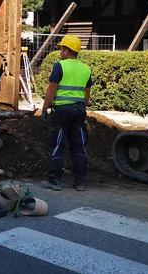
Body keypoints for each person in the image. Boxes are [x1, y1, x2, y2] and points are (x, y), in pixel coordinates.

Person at [40, 35, 92, 192]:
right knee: (78, 146)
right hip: (79, 110)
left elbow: (52, 89)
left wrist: (44, 107)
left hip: (62, 111)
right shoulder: (86, 68)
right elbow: (87, 93)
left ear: (67, 50)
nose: (60, 52)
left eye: (62, 49)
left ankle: (55, 181)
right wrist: (83, 107)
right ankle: (81, 182)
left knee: (57, 144)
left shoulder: (59, 66)